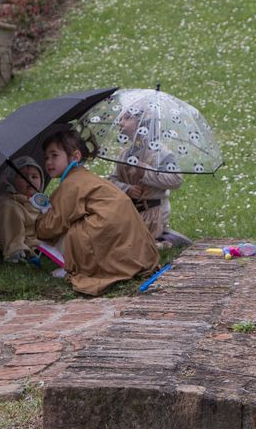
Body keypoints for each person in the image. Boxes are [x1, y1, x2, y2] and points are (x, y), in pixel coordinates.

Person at [35, 129, 159, 296]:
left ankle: (76, 265)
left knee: (72, 228)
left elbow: (54, 224)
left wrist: (38, 220)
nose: (49, 162)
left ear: (75, 156)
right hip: (132, 242)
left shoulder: (71, 184)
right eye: (46, 157)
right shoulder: (84, 177)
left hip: (108, 230)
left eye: (54, 155)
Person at [108, 110, 192, 249]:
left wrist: (146, 173)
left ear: (144, 123)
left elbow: (176, 180)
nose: (120, 122)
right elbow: (111, 180)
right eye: (121, 118)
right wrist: (126, 188)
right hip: (128, 210)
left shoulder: (161, 154)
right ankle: (159, 239)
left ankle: (165, 240)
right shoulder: (124, 154)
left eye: (128, 118)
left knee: (128, 247)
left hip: (152, 214)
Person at [0, 156, 44, 264]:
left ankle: (36, 252)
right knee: (8, 207)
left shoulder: (41, 202)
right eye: (23, 176)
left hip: (38, 243)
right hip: (17, 240)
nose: (29, 180)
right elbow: (8, 221)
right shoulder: (8, 202)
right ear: (12, 180)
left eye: (34, 176)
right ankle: (15, 251)